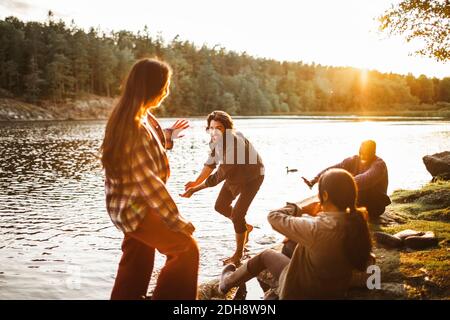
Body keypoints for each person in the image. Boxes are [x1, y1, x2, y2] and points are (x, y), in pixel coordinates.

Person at [101, 58, 199, 300]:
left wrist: (169, 136)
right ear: (152, 88)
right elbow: (149, 184)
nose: (166, 92)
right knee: (186, 249)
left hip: (129, 206)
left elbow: (150, 148)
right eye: (164, 86)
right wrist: (177, 221)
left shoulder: (139, 116)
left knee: (137, 263)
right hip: (138, 208)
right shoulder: (134, 126)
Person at [219, 168, 373, 299]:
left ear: (325, 196)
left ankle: (227, 282)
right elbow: (368, 260)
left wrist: (302, 208)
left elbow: (273, 217)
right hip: (332, 292)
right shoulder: (356, 224)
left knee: (266, 255)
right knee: (293, 244)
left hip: (301, 292)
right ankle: (268, 292)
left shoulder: (317, 228)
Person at [181, 111, 264, 265]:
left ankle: (237, 256)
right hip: (235, 176)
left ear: (227, 129)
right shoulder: (216, 141)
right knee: (220, 206)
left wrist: (195, 189)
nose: (214, 131)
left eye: (218, 128)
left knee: (238, 215)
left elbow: (218, 176)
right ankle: (245, 228)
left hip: (252, 177)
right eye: (211, 128)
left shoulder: (235, 143)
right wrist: (195, 181)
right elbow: (210, 164)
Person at [302, 140, 391, 219]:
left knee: (344, 192)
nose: (363, 155)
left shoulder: (379, 165)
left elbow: (365, 179)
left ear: (374, 152)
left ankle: (327, 212)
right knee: (332, 185)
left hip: (375, 205)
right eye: (361, 152)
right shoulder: (353, 160)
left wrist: (339, 187)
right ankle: (316, 211)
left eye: (367, 153)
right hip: (357, 202)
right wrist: (314, 180)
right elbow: (333, 169)